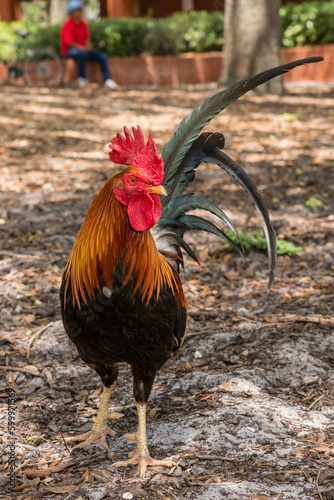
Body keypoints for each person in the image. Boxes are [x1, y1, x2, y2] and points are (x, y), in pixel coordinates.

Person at [60, 0, 118, 89]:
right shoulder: (67, 25)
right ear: (72, 12)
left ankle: (108, 80)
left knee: (102, 56)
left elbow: (87, 38)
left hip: (84, 50)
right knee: (82, 54)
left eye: (81, 10)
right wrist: (83, 48)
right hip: (70, 52)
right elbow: (69, 43)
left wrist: (89, 47)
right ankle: (82, 78)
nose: (81, 12)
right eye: (78, 10)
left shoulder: (83, 23)